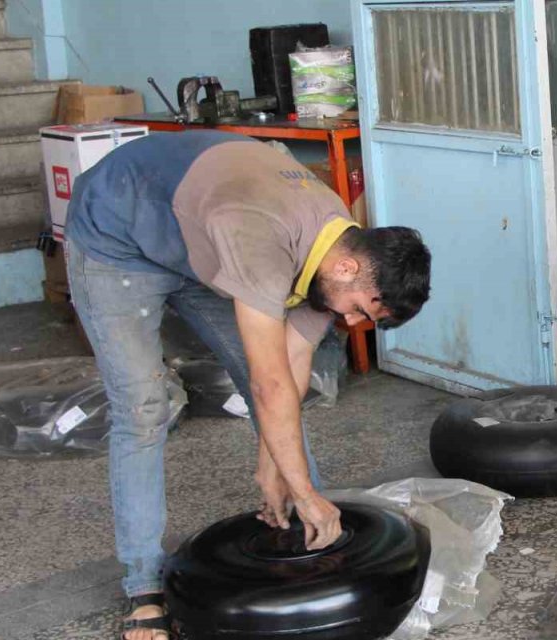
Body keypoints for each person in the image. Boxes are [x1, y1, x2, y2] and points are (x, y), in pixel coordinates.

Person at [63, 130, 432, 640]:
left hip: (202, 242)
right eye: (359, 309)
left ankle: (316, 540)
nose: (350, 324)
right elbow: (268, 385)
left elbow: (291, 365)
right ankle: (143, 581)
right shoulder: (263, 236)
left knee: (276, 401)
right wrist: (301, 487)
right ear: (348, 267)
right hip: (117, 237)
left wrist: (272, 465)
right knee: (144, 409)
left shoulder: (332, 255)